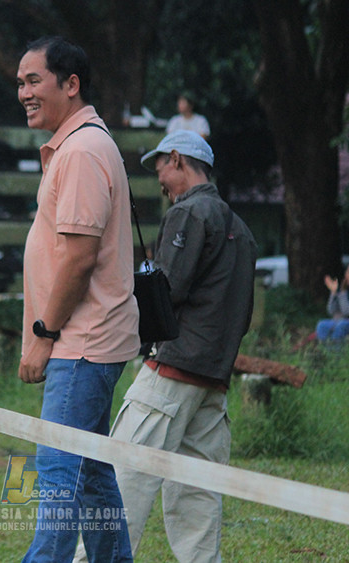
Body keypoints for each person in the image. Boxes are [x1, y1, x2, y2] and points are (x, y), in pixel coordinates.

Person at [75, 130, 257, 563]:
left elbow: (168, 291)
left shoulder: (189, 213)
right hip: (213, 381)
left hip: (171, 373)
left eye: (160, 169)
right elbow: (243, 312)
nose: (159, 181)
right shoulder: (243, 230)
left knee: (121, 479)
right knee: (197, 499)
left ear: (177, 159)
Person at [16, 35, 139, 562]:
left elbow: (79, 257)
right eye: (20, 82)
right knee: (88, 476)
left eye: (34, 80)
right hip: (86, 340)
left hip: (80, 343)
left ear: (71, 85)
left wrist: (44, 335)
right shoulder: (78, 146)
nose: (23, 92)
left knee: (59, 480)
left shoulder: (85, 150)